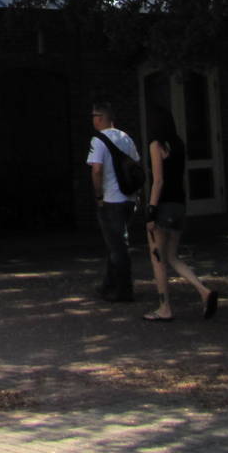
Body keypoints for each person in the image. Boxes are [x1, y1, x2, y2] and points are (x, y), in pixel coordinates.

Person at [142, 109, 218, 322]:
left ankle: (164, 307)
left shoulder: (156, 145)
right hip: (179, 205)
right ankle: (204, 291)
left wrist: (151, 211)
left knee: (158, 258)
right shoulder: (178, 144)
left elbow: (158, 181)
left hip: (163, 206)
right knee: (172, 256)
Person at [88, 102, 139, 303]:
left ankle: (124, 290)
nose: (92, 119)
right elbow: (136, 165)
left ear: (101, 118)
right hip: (129, 198)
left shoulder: (98, 140)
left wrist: (99, 195)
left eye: (94, 115)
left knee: (118, 247)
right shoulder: (126, 137)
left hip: (111, 199)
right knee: (115, 244)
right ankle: (108, 285)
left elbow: (97, 170)